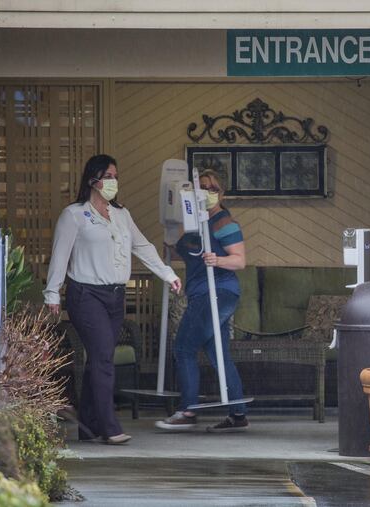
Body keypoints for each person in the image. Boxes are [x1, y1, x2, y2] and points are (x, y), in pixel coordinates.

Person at [44, 154, 182, 445]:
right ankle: (109, 427)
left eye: (115, 176)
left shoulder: (122, 214)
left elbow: (142, 246)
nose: (113, 182)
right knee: (104, 357)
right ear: (93, 179)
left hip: (115, 296)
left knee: (98, 359)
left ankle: (88, 427)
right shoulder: (74, 215)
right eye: (108, 176)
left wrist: (167, 274)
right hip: (85, 295)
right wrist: (52, 292)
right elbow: (60, 255)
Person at [155, 170, 249, 433]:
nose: (208, 192)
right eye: (204, 188)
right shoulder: (196, 224)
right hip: (202, 293)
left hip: (218, 292)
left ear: (222, 194)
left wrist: (217, 260)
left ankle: (188, 410)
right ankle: (238, 414)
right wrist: (170, 239)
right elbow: (178, 250)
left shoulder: (224, 222)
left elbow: (240, 260)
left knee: (184, 347)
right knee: (217, 354)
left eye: (214, 188)